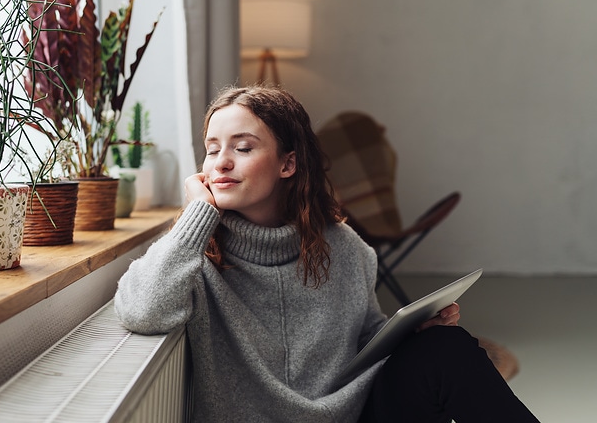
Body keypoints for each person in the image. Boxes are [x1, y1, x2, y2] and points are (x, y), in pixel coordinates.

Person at [114, 85, 539, 422]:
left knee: (445, 347)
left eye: (242, 148)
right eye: (212, 149)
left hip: (351, 416)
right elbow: (141, 312)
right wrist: (197, 215)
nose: (220, 163)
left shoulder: (343, 246)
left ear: (288, 164)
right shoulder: (192, 252)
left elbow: (364, 338)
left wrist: (415, 334)